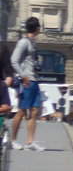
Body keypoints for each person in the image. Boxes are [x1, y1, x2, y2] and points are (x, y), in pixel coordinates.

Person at [9, 17, 45, 151]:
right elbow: (14, 60)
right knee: (22, 111)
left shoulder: (32, 42)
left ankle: (30, 142)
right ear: (37, 28)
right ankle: (12, 140)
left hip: (34, 80)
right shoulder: (24, 42)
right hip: (27, 81)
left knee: (35, 111)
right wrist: (22, 76)